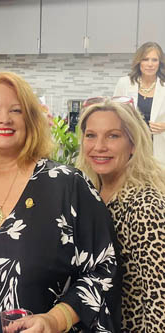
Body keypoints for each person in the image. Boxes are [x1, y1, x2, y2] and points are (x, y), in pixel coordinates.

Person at [0, 72, 121, 332]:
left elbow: (105, 268)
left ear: (29, 118)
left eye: (16, 110)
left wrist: (55, 319)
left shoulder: (66, 185)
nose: (4, 119)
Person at [77, 97, 165, 332]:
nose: (99, 146)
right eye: (91, 135)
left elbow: (159, 301)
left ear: (133, 143)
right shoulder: (89, 195)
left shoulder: (145, 205)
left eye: (113, 136)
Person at [114, 42, 165, 165]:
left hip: (158, 148)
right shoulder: (124, 83)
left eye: (154, 60)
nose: (150, 64)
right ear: (139, 62)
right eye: (145, 59)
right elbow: (114, 113)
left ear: (160, 63)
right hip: (131, 146)